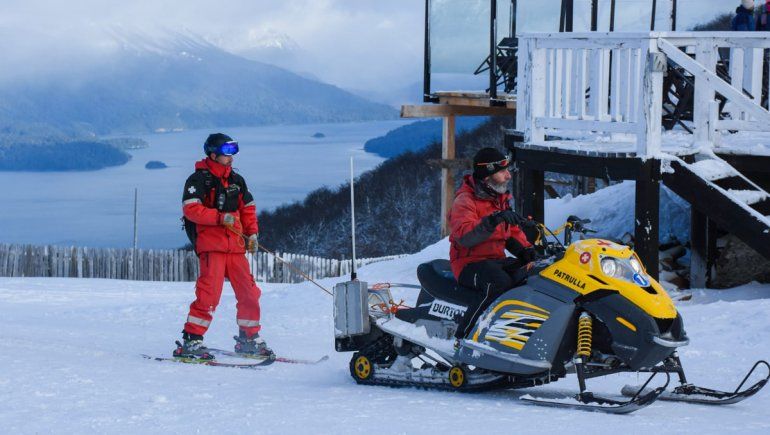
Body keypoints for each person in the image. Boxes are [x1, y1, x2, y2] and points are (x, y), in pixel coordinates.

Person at [174, 133, 271, 359]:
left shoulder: (236, 181)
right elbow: (191, 209)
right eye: (227, 152)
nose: (232, 157)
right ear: (213, 154)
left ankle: (249, 339)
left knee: (249, 293)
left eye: (234, 151)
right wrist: (219, 217)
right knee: (209, 295)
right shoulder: (198, 180)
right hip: (212, 247)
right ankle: (192, 341)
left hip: (236, 247)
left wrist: (252, 234)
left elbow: (248, 208)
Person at [448, 147, 536, 340]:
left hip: (495, 260)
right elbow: (464, 235)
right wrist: (492, 220)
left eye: (508, 170)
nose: (508, 176)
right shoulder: (465, 200)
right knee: (498, 283)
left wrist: (527, 250)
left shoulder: (498, 199)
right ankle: (464, 336)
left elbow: (511, 231)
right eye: (502, 171)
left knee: (534, 273)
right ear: (487, 176)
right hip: (468, 264)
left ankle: (516, 334)